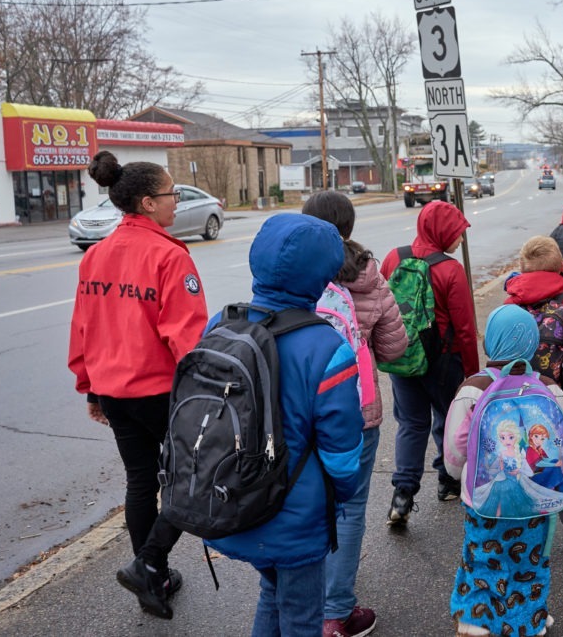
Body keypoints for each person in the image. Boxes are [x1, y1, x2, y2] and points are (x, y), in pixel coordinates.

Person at [204, 213, 364, 637]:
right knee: (301, 617)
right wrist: (341, 499)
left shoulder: (220, 324)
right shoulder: (328, 347)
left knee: (271, 593)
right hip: (298, 514)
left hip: (234, 498)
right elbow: (343, 454)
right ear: (323, 275)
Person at [67, 150, 208, 620]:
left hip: (114, 393)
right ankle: (148, 563)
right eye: (171, 194)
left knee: (141, 481)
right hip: (160, 393)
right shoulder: (170, 256)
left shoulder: (97, 256)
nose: (176, 201)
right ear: (147, 202)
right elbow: (186, 339)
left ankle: (155, 579)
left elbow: (84, 327)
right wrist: (204, 393)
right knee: (190, 480)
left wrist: (90, 386)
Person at [443, 305, 563, 637]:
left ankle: (475, 620)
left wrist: (459, 477)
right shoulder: (545, 386)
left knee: (481, 557)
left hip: (483, 501)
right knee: (527, 563)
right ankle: (527, 621)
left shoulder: (472, 389)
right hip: (534, 501)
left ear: (491, 344)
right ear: (531, 344)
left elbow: (455, 452)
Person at [302, 190, 408, 637]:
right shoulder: (369, 276)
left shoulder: (298, 275)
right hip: (357, 408)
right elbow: (394, 346)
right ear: (348, 225)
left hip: (303, 408)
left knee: (306, 502)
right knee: (349, 508)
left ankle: (301, 600)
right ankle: (337, 611)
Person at [502, 235, 563, 563]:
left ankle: (525, 538)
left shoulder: (509, 306)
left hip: (519, 406)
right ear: (561, 266)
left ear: (522, 268)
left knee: (523, 466)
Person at [380, 200, 479, 524]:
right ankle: (448, 481)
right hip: (442, 361)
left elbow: (381, 305)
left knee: (411, 424)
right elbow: (465, 329)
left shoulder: (394, 258)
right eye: (458, 233)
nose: (461, 239)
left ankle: (402, 496)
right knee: (449, 421)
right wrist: (474, 375)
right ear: (442, 232)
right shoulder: (451, 270)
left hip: (403, 357)